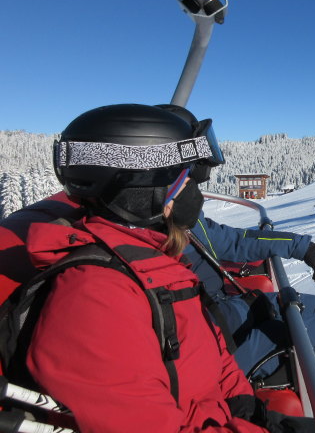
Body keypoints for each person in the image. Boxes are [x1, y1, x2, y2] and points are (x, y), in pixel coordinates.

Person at [22, 104, 289, 432]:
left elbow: (212, 354)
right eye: (185, 179)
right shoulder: (96, 299)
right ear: (143, 190)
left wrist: (252, 413)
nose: (194, 192)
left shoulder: (156, 258)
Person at [154, 105, 315, 409]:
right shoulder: (152, 240)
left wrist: (300, 247)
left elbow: (236, 241)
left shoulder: (183, 218)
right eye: (186, 179)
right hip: (209, 345)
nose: (193, 189)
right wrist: (247, 307)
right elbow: (179, 322)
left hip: (221, 318)